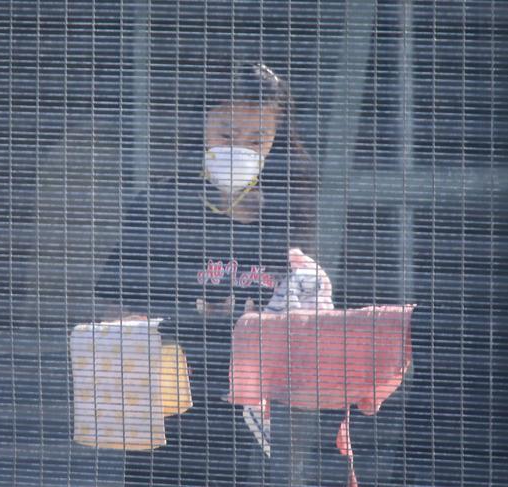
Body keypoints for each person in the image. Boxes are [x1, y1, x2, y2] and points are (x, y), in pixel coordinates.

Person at [94, 62, 343, 486]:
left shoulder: (289, 217)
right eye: (227, 135)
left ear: (275, 143)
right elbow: (116, 312)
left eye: (257, 139)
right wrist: (187, 316)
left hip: (261, 430)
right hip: (167, 423)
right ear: (202, 129)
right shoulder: (158, 207)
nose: (240, 149)